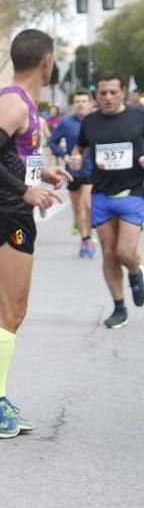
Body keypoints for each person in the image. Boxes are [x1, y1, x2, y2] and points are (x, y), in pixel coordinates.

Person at [0, 29, 71, 438]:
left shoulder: (25, 104)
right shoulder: (12, 102)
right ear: (46, 61)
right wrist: (26, 190)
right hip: (4, 215)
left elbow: (14, 154)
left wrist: (42, 173)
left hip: (15, 213)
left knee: (16, 313)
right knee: (9, 314)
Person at [71, 71, 144, 329]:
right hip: (101, 193)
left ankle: (136, 273)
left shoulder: (138, 116)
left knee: (125, 253)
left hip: (133, 192)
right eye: (103, 93)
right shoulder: (90, 122)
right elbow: (79, 147)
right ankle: (119, 307)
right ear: (96, 95)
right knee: (109, 253)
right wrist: (76, 158)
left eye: (113, 92)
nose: (108, 97)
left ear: (123, 92)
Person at [50, 90, 96, 258]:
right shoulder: (66, 123)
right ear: (73, 105)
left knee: (88, 205)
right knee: (77, 208)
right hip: (73, 171)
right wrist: (65, 156)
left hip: (92, 170)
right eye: (77, 101)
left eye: (84, 101)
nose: (81, 104)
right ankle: (84, 239)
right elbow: (52, 142)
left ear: (91, 104)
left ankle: (88, 238)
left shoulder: (96, 121)